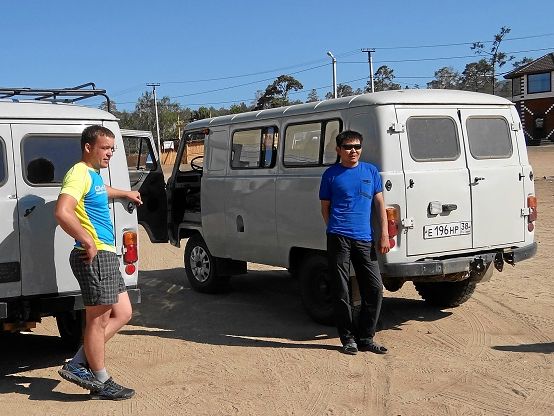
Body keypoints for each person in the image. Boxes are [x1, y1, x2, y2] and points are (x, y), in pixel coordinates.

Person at [55, 125, 142, 400]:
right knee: (98, 319)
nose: (110, 154)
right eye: (105, 148)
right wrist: (87, 240)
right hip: (94, 254)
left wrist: (125, 193)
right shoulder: (78, 172)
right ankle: (100, 380)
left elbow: (100, 190)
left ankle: (78, 363)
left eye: (112, 149)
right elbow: (63, 211)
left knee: (123, 312)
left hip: (106, 253)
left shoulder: (90, 176)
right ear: (88, 147)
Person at [319, 130, 390, 355]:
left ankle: (366, 337)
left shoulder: (370, 171)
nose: (353, 151)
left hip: (365, 238)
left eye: (357, 147)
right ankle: (347, 339)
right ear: (338, 150)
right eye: (348, 147)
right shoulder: (331, 175)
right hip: (338, 237)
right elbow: (325, 208)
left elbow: (379, 204)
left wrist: (384, 234)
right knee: (341, 289)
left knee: (375, 288)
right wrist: (334, 228)